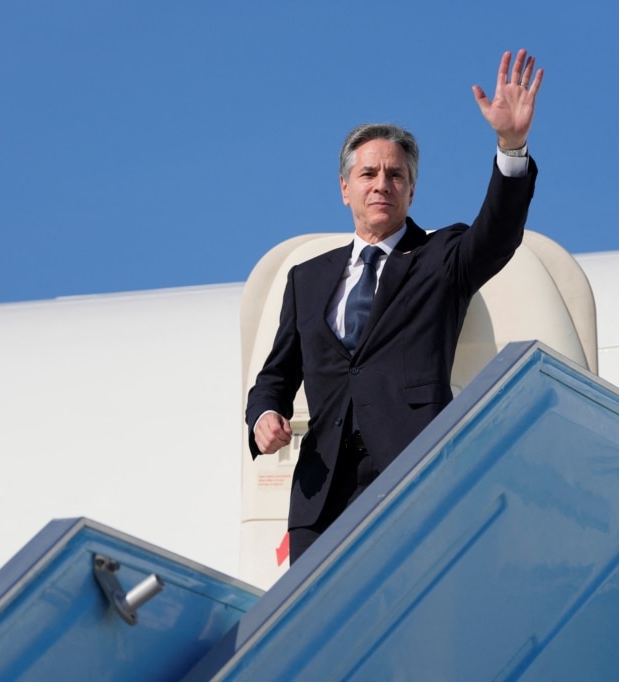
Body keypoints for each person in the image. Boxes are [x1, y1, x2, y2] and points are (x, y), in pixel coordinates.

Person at [246, 49, 543, 563]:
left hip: (415, 475)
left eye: (395, 175)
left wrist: (511, 147)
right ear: (345, 189)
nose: (382, 183)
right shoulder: (306, 279)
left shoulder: (440, 257)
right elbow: (276, 375)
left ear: (411, 190)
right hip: (322, 496)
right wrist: (264, 413)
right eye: (368, 175)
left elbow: (496, 235)